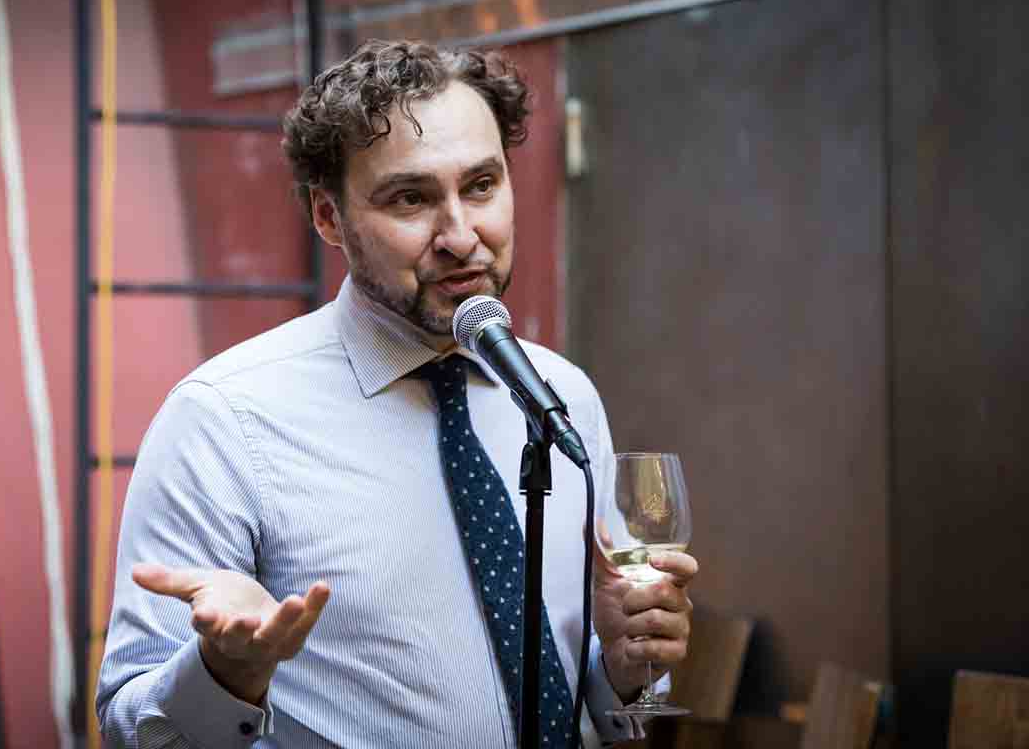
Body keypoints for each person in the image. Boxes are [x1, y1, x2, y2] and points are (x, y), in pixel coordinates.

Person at [97, 39, 697, 748]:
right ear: (329, 217)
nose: (461, 235)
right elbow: (129, 729)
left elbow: (582, 694)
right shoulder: (224, 421)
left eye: (481, 185)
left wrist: (621, 671)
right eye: (411, 198)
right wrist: (226, 672)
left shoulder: (558, 395)